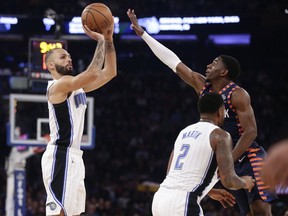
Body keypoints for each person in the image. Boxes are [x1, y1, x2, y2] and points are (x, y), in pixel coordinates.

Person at [127, 9, 278, 216]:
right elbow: (173, 61)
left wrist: (228, 162)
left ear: (224, 72)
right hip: (224, 157)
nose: (209, 65)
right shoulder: (202, 87)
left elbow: (251, 132)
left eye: (215, 63)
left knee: (260, 210)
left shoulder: (238, 94)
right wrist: (144, 35)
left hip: (247, 157)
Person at [41, 22, 116, 216]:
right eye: (63, 57)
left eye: (69, 57)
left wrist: (109, 40)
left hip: (75, 156)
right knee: (59, 213)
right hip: (60, 155)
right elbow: (92, 73)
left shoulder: (76, 87)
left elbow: (110, 72)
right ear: (50, 65)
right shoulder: (57, 86)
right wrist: (100, 40)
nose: (69, 59)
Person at [152, 92, 255, 216]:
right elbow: (229, 180)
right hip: (183, 203)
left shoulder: (183, 132)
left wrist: (209, 190)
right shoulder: (220, 135)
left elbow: (172, 174)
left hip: (160, 199)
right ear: (220, 111)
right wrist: (245, 182)